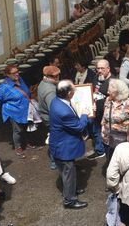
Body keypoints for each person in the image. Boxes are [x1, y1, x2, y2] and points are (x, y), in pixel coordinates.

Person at [49, 80, 89, 209]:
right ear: (69, 93)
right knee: (68, 173)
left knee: (66, 173)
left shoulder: (56, 101)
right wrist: (84, 115)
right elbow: (78, 127)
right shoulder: (63, 111)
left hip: (58, 144)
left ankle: (71, 191)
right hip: (64, 148)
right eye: (73, 90)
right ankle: (69, 200)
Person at [0, 65, 39, 159]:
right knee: (18, 130)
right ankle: (18, 147)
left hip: (25, 109)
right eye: (14, 73)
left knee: (26, 126)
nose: (17, 74)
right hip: (14, 112)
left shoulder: (20, 79)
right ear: (7, 74)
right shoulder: (4, 87)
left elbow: (26, 91)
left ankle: (27, 143)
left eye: (17, 72)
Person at [101, 79, 129, 160]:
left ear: (117, 91)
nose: (107, 92)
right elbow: (104, 116)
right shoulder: (108, 100)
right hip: (107, 139)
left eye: (109, 90)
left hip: (122, 141)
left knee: (122, 164)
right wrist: (102, 129)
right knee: (110, 161)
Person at [87, 60, 111, 160]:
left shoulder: (113, 81)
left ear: (108, 69)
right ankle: (100, 150)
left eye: (102, 68)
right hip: (96, 112)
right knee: (96, 131)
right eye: (98, 68)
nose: (100, 70)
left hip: (107, 113)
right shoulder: (96, 77)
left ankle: (109, 152)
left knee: (107, 133)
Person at [37, 65, 60, 169]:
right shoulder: (50, 91)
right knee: (55, 139)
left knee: (53, 136)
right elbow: (54, 110)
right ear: (51, 77)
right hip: (50, 118)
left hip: (45, 116)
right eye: (56, 76)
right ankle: (54, 161)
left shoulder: (43, 83)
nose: (58, 77)